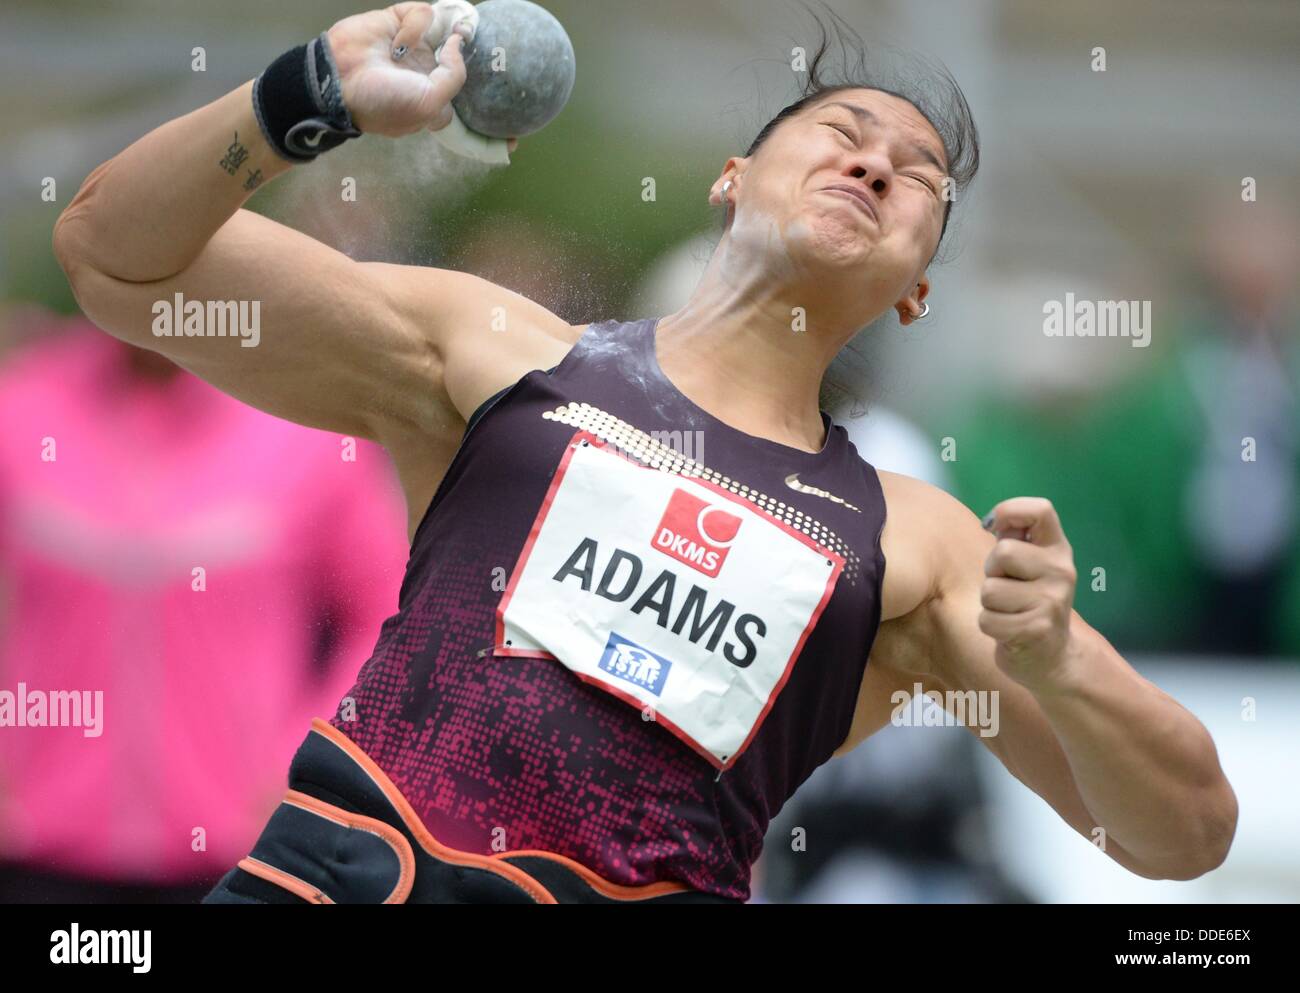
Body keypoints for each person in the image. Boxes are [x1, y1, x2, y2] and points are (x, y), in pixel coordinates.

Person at [51, 1, 1237, 904]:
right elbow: (115, 259)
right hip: (339, 878)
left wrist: (1058, 657)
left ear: (918, 288)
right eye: (842, 135)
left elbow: (1181, 836)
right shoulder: (495, 354)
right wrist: (302, 99)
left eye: (917, 176)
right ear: (731, 182)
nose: (876, 165)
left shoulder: (913, 540)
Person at [0, 314, 407, 902]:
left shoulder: (302, 428)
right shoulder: (22, 407)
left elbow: (386, 615)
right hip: (38, 861)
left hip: (242, 862)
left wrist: (305, 761)